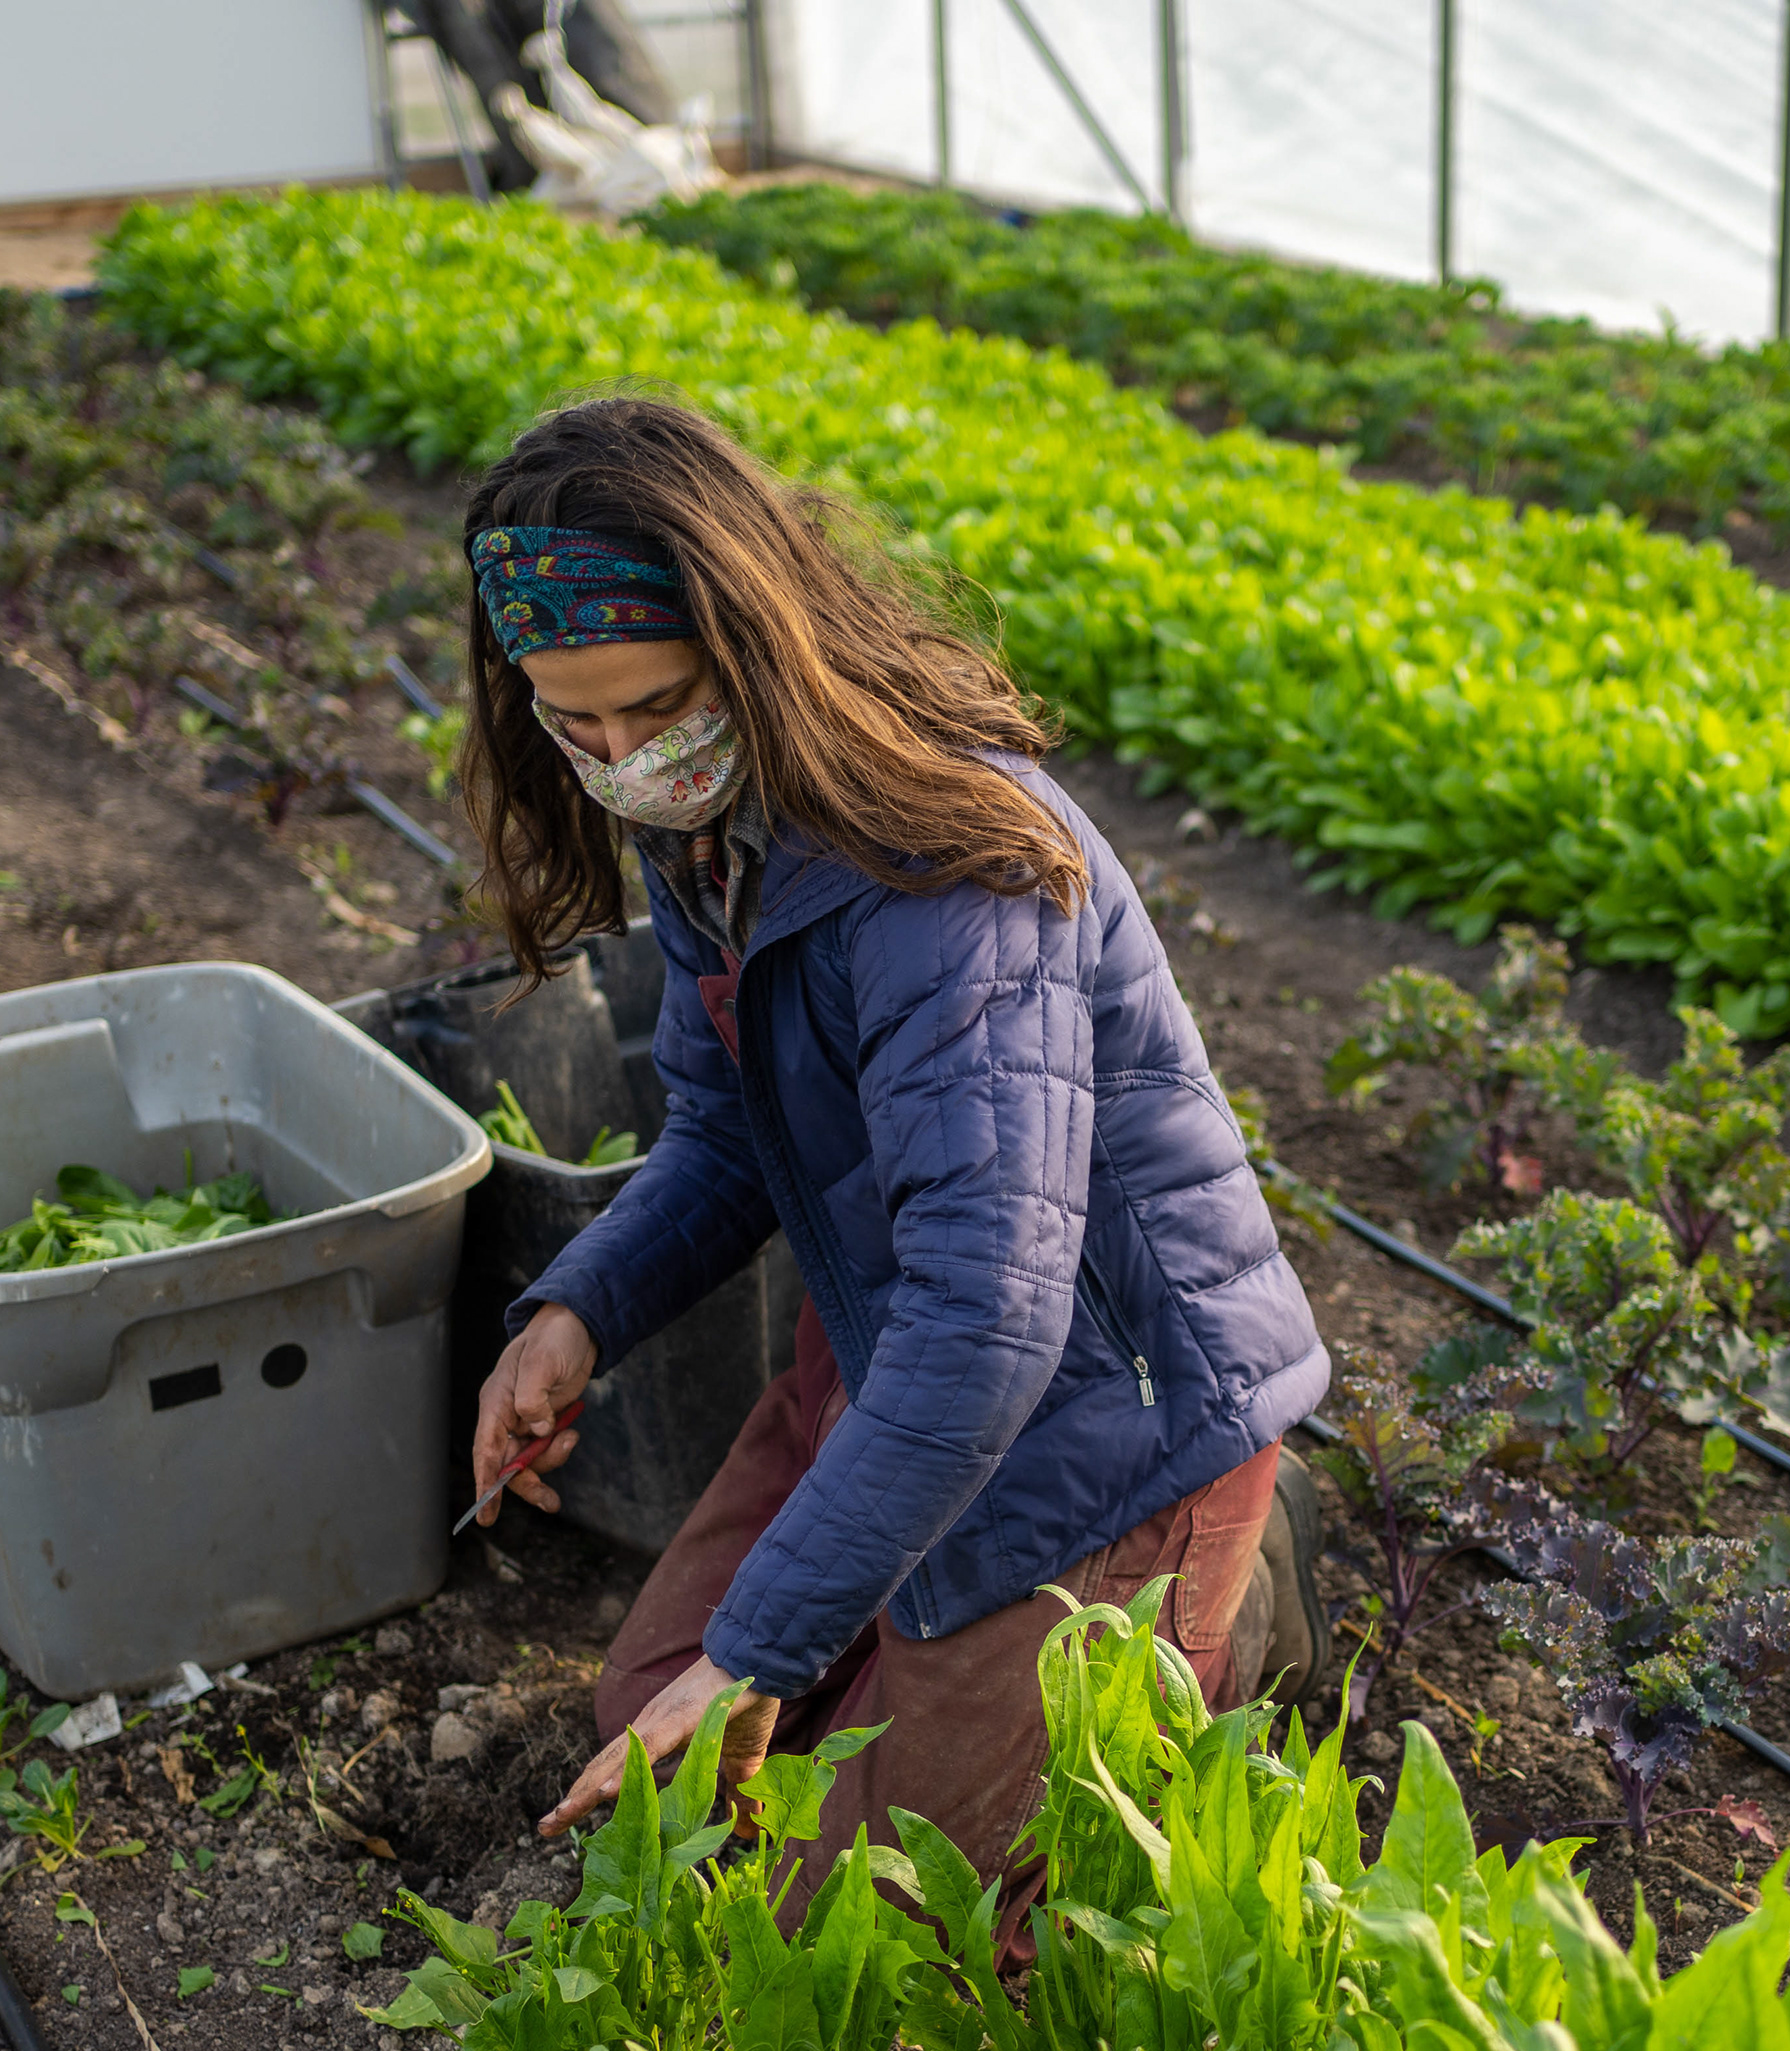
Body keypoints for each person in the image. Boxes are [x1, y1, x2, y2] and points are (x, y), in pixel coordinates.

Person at [455, 396, 1333, 1921]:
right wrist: (576, 1309)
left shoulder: (946, 877)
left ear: (755, 640)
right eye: (572, 721)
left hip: (1104, 1419)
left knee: (869, 1915)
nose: (619, 759)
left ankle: (1220, 1590)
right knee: (655, 1732)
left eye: (653, 706)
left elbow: (992, 1318)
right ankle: (969, 1647)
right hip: (898, 1345)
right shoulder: (715, 824)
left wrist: (761, 1651)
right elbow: (726, 1132)